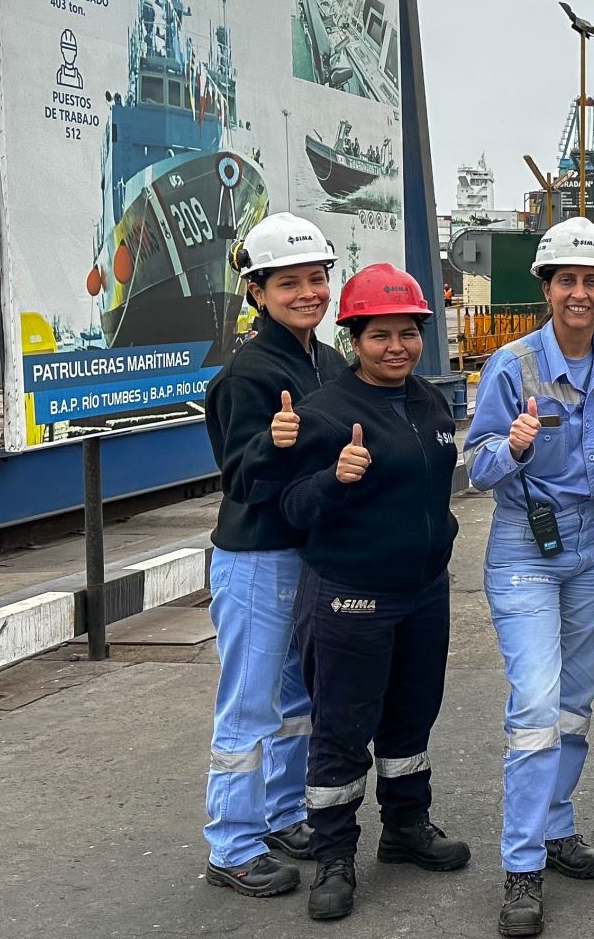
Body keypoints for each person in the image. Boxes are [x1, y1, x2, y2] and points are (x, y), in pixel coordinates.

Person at [281, 264, 471, 921]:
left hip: (423, 591)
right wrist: (335, 477)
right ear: (354, 338)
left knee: (411, 717)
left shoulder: (430, 402)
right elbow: (293, 508)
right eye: (381, 335)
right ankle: (334, 856)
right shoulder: (325, 413)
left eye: (408, 333)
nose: (397, 347)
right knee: (341, 729)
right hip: (350, 595)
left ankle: (406, 828)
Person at [462, 219, 594, 938]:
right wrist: (515, 446)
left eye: (592, 280)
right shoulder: (511, 367)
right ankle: (523, 866)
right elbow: (476, 468)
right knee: (534, 704)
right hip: (526, 545)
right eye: (567, 280)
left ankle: (557, 824)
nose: (580, 293)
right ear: (547, 287)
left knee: (573, 706)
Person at [202, 213, 347, 898]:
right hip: (258, 558)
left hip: (309, 551)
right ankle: (229, 845)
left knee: (296, 700)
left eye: (316, 279)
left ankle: (284, 815)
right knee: (249, 705)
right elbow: (241, 478)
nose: (307, 293)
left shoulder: (325, 358)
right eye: (288, 283)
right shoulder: (249, 373)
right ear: (256, 291)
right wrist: (277, 441)